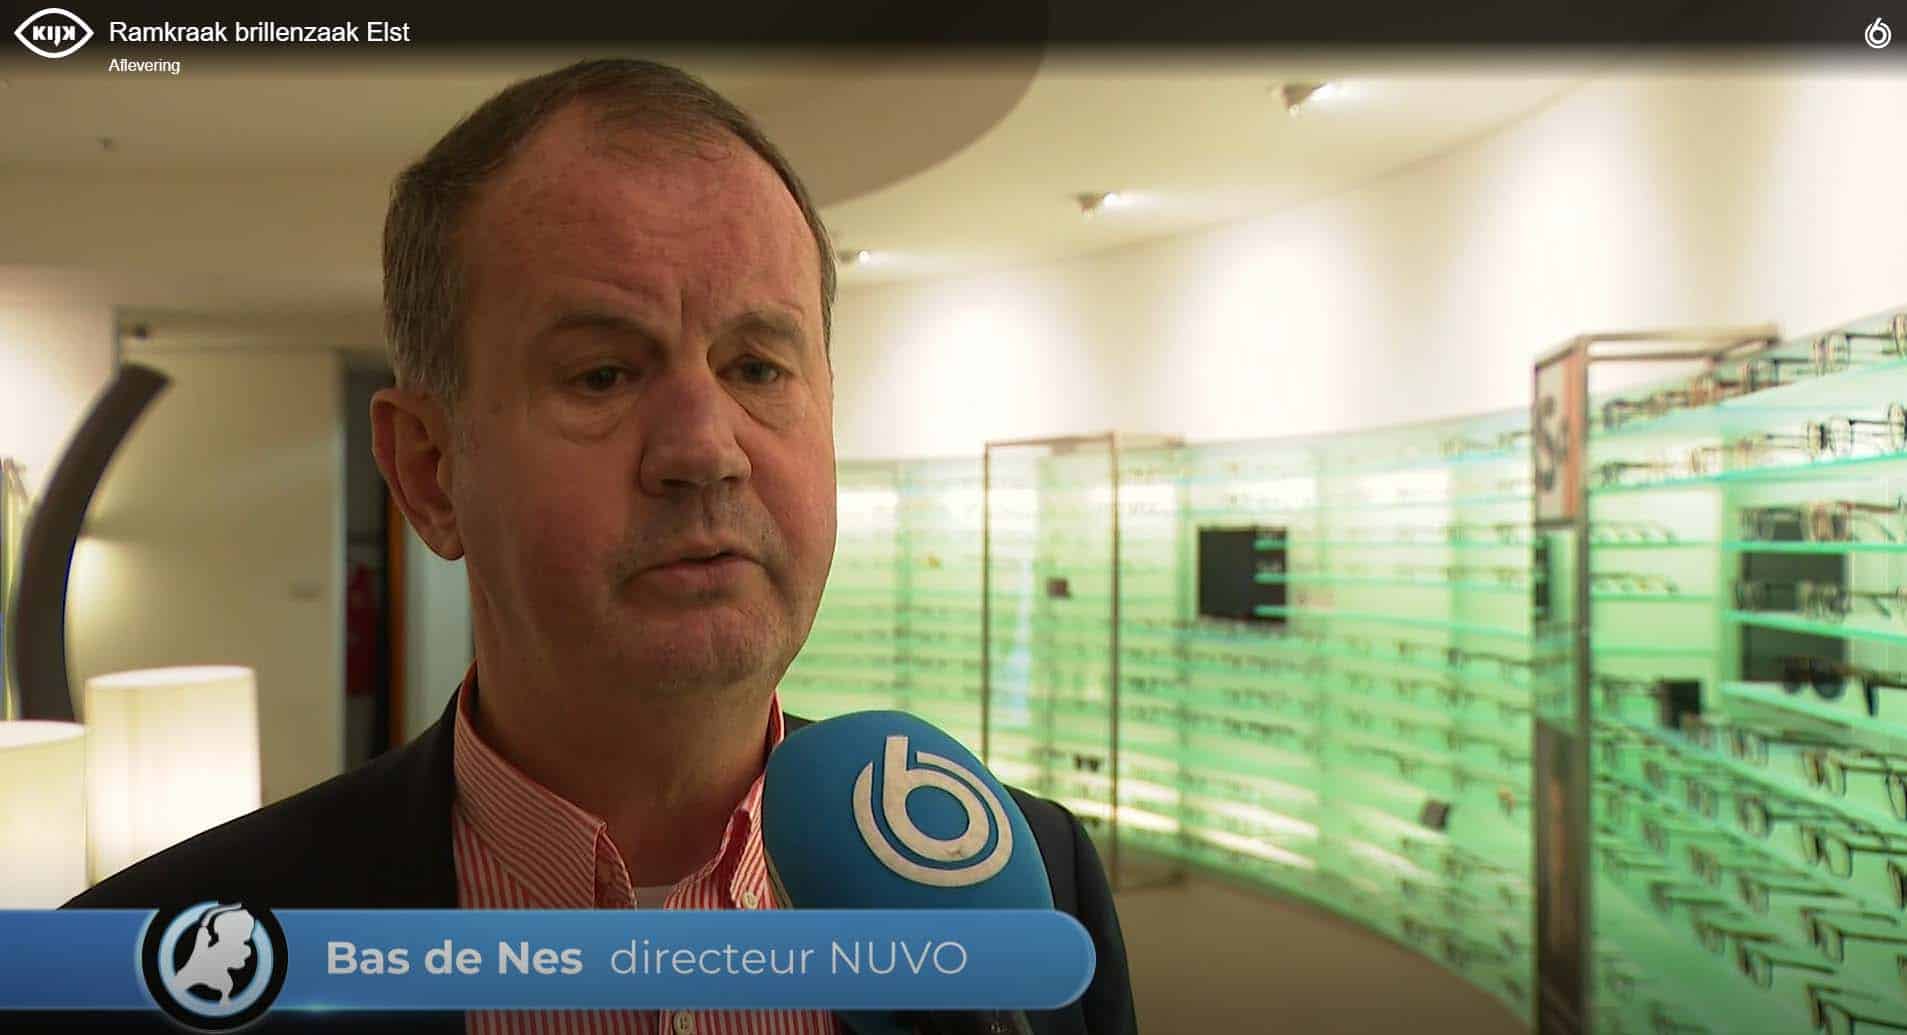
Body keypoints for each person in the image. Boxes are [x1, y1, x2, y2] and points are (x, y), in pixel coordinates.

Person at [62, 59, 1136, 1035]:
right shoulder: (147, 966)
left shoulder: (1032, 881)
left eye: (757, 368)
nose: (705, 450)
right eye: (602, 374)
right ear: (429, 471)